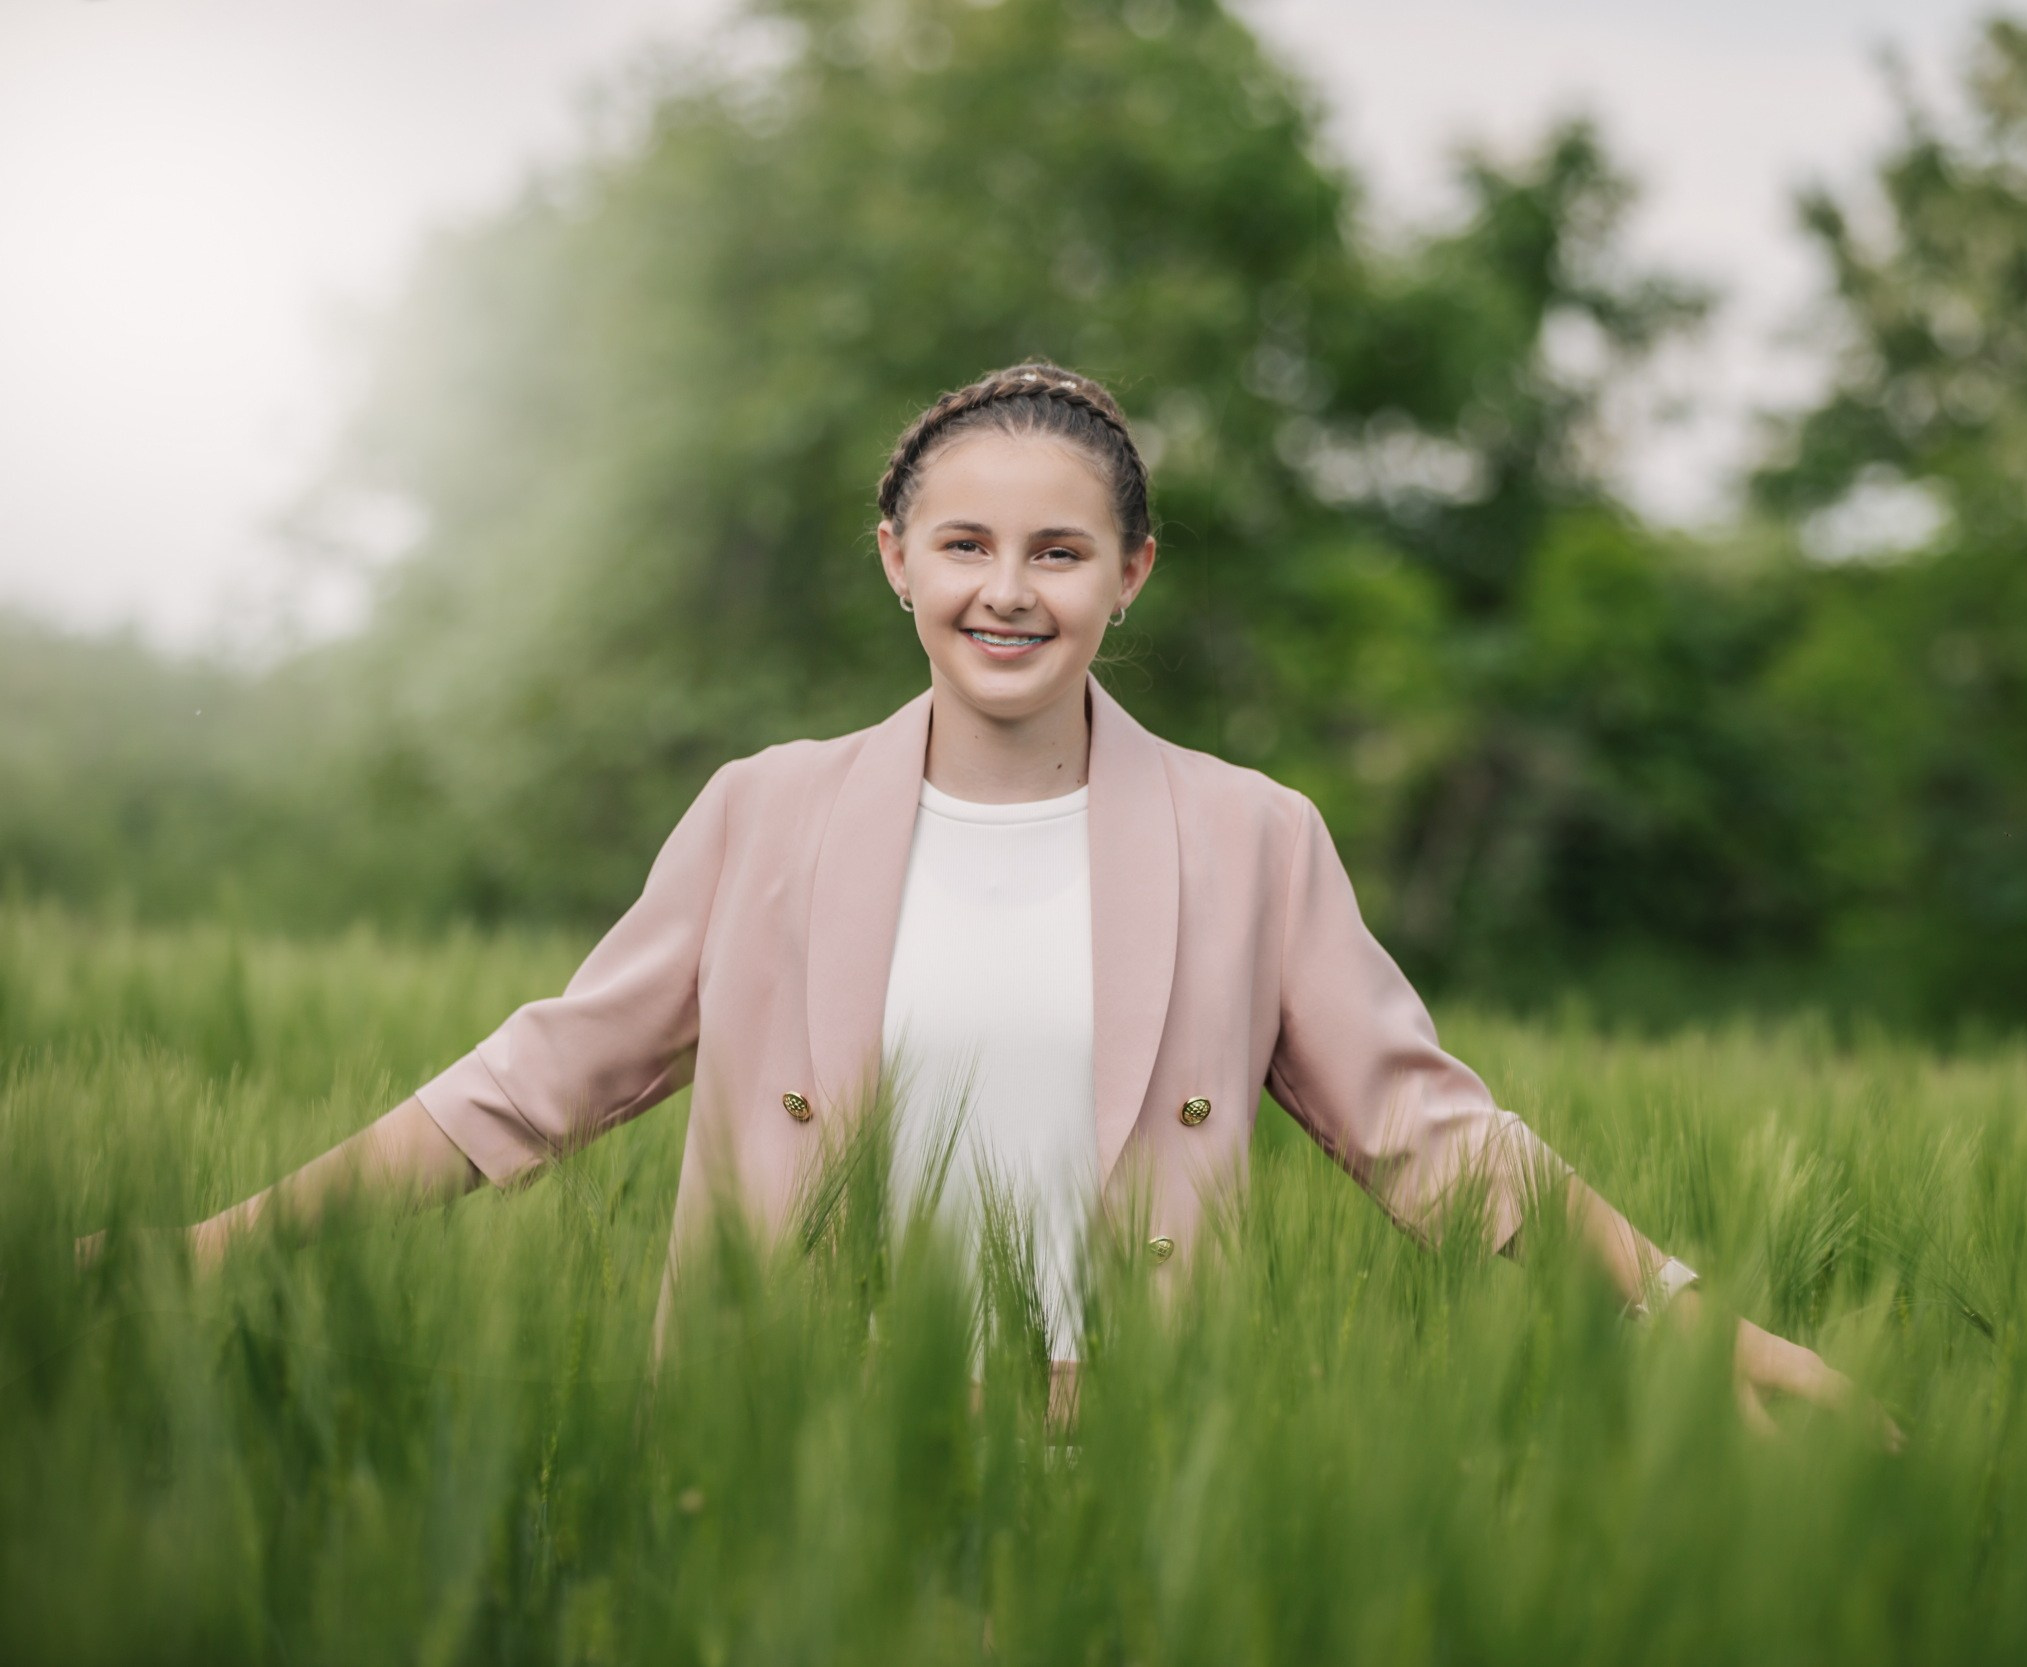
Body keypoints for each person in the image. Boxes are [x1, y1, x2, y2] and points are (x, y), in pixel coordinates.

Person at [121, 362, 1893, 1443]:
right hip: (779, 1463)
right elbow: (535, 1083)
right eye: (965, 545)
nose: (1008, 593)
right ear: (896, 558)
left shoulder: (1252, 836)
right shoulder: (766, 815)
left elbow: (1437, 1140)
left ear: (1131, 572)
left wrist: (1696, 1321)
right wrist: (209, 1255)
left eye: (1058, 552)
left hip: (1110, 1478)